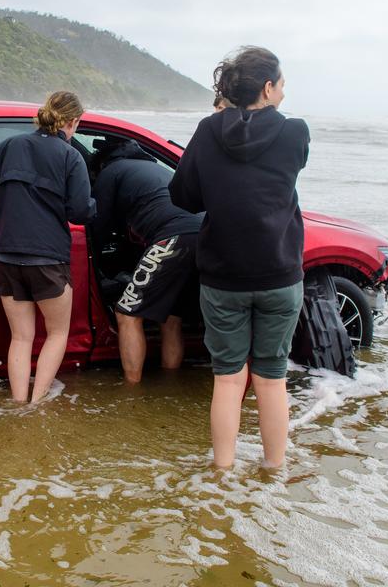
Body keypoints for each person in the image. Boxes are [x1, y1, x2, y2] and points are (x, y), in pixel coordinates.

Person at [169, 46, 310, 470]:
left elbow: (183, 196)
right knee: (272, 378)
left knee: (229, 379)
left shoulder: (209, 130)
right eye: (282, 84)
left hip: (223, 275)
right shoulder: (295, 132)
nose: (284, 92)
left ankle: (222, 473)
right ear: (267, 88)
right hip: (280, 272)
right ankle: (273, 471)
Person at [0, 91, 96, 403]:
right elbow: (80, 211)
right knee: (57, 334)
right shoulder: (70, 157)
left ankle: (19, 402)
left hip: (6, 256)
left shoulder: (13, 145)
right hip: (48, 259)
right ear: (73, 122)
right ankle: (37, 403)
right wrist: (94, 204)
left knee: (21, 337)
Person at [89, 139, 201, 382]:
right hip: (205, 234)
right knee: (172, 318)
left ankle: (132, 390)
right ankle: (169, 384)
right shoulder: (152, 169)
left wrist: (93, 263)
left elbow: (97, 224)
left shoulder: (111, 172)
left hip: (174, 236)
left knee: (127, 314)